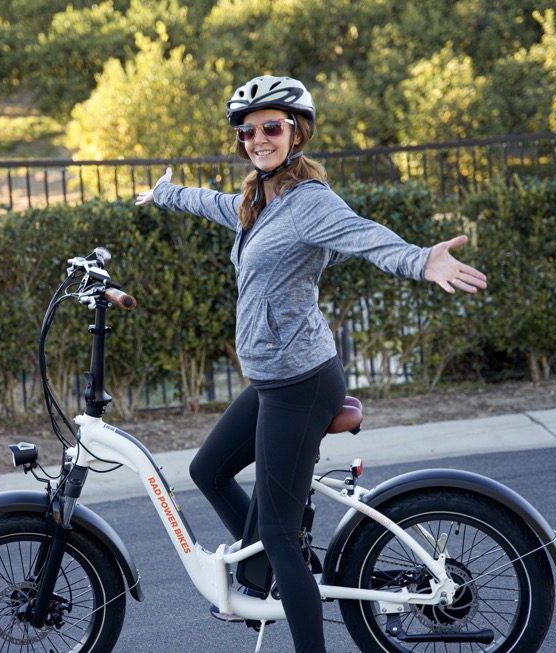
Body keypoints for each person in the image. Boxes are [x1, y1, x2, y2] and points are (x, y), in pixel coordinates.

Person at [135, 74, 487, 653]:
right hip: (272, 381)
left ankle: (286, 573)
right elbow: (220, 206)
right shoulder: (258, 200)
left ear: (296, 133)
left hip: (301, 383)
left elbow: (363, 235)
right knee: (208, 472)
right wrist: (168, 194)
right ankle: (278, 566)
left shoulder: (310, 204)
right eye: (248, 131)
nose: (258, 139)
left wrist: (422, 260)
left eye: (271, 127)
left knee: (273, 531)